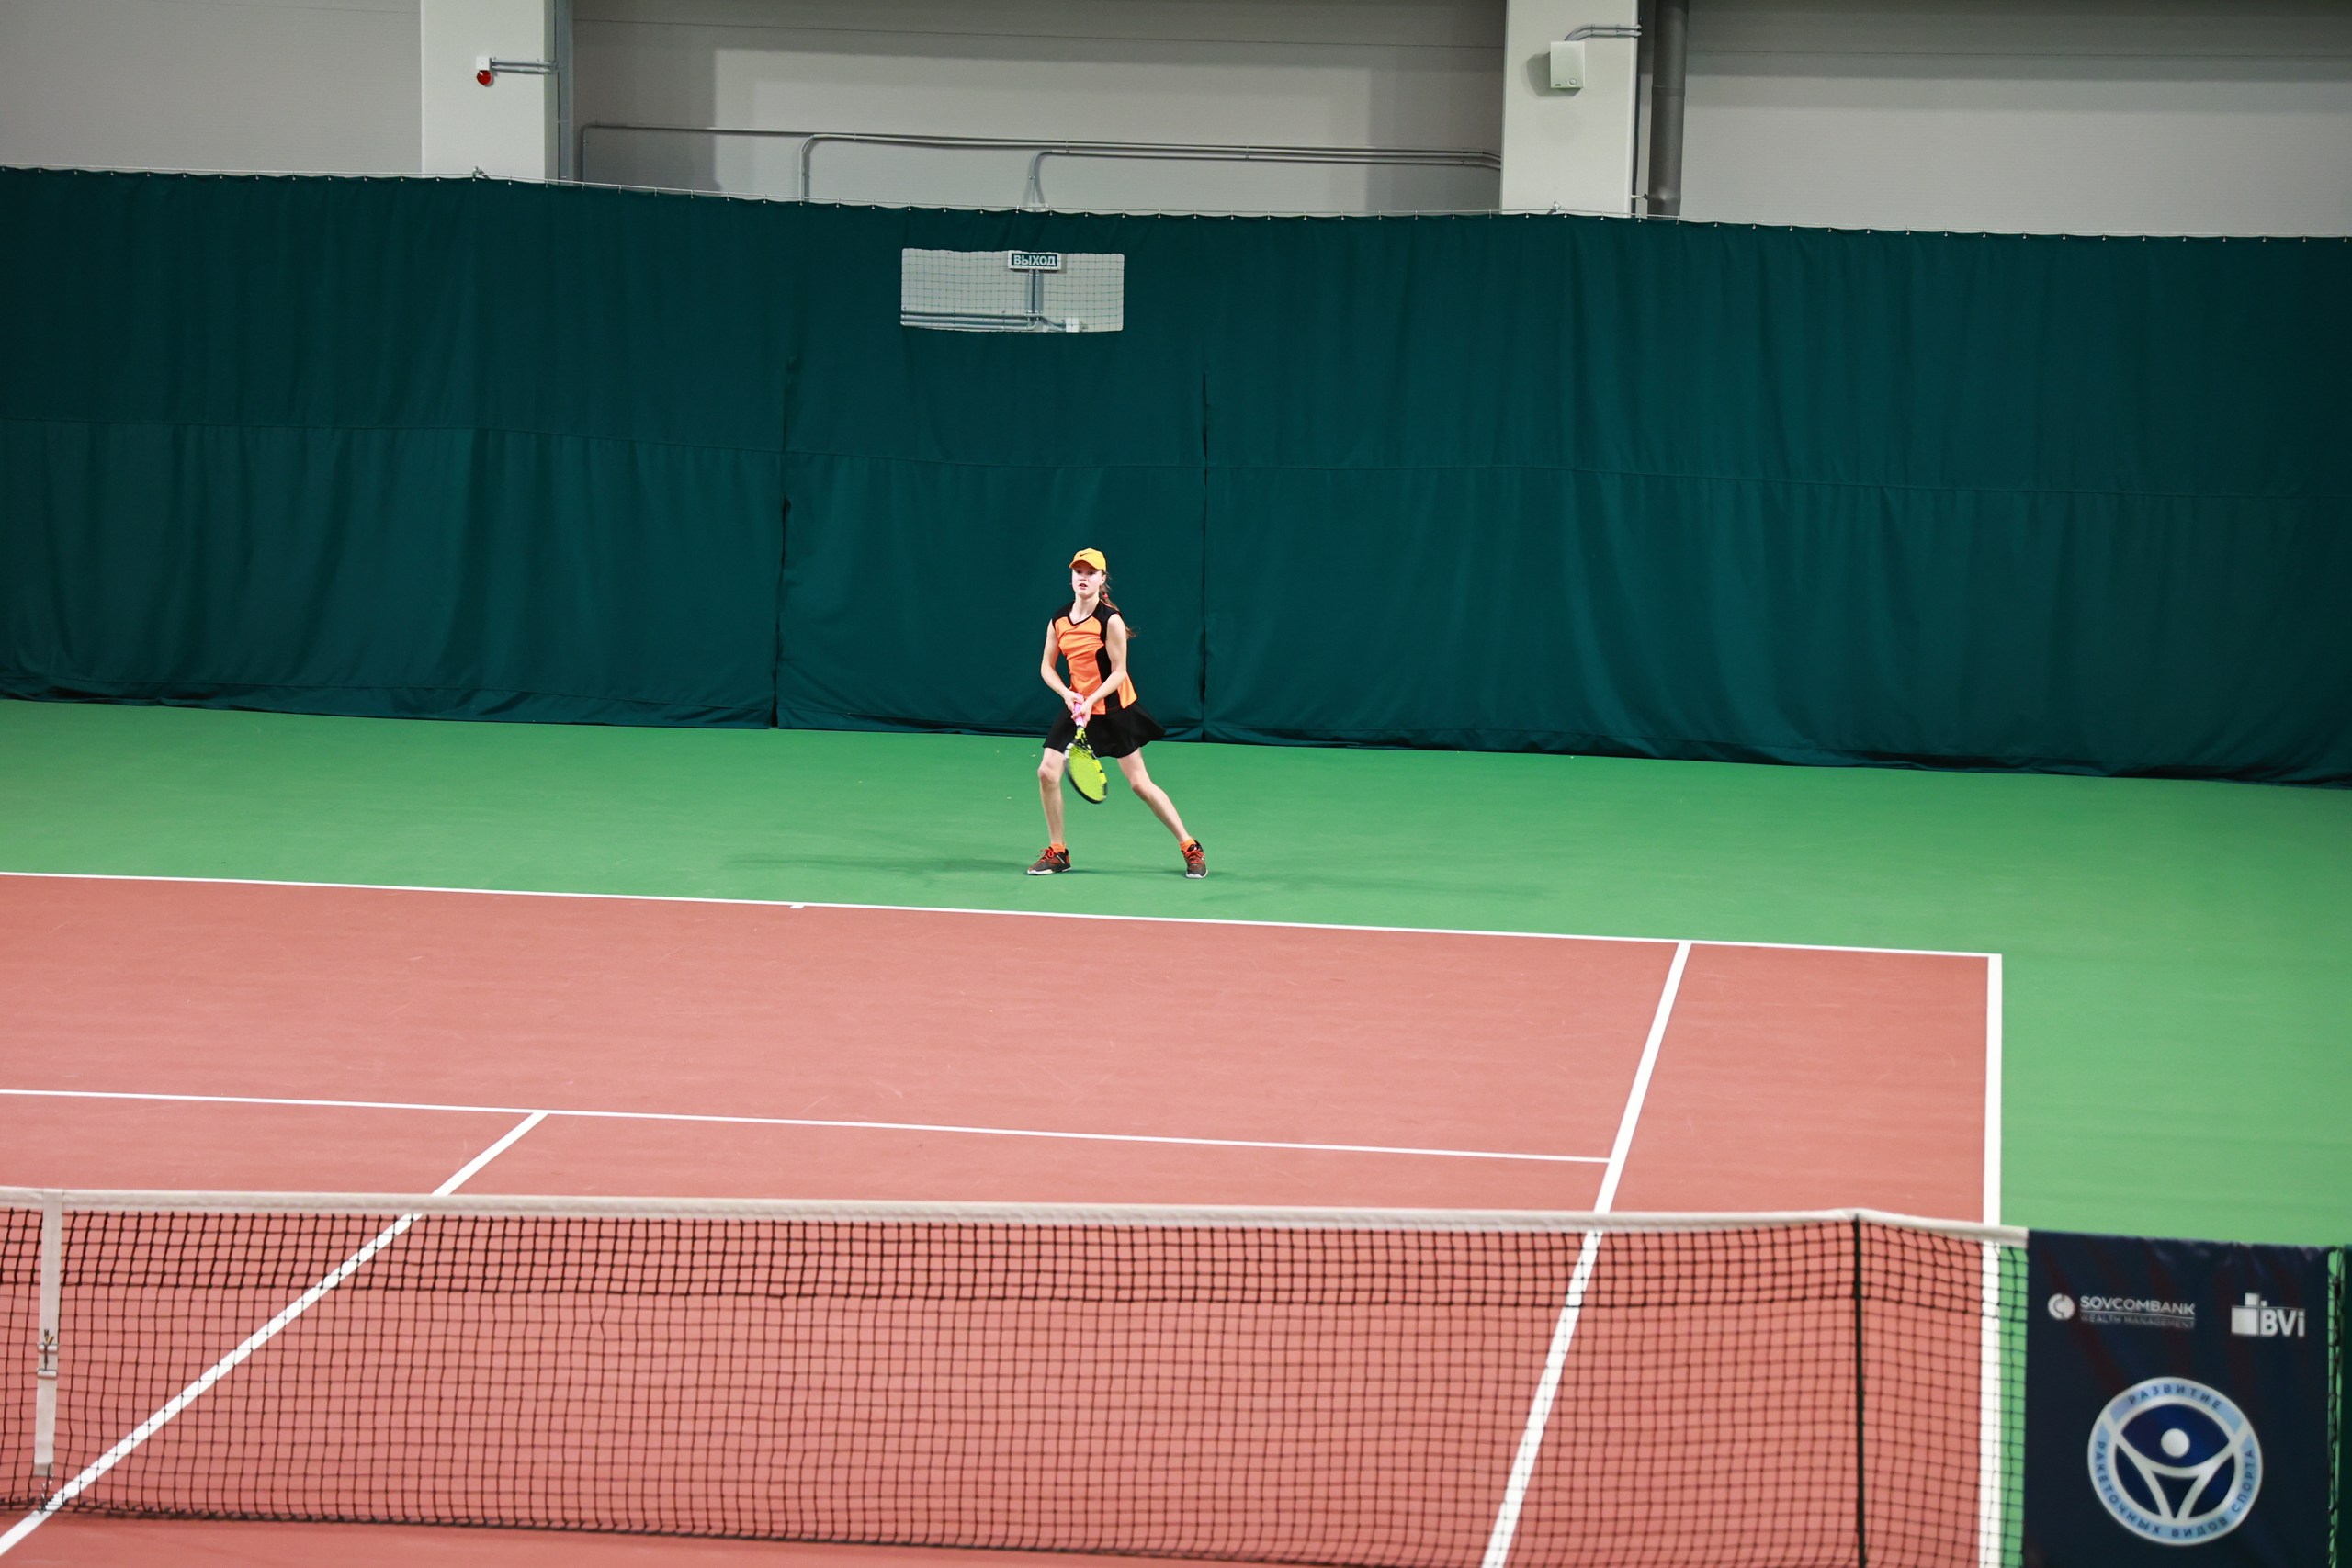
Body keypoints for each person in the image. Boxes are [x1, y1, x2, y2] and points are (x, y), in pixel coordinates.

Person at [1029, 548, 1205, 878]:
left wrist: (1091, 700)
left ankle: (1190, 846)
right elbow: (1046, 667)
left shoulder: (1109, 620)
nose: (1083, 578)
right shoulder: (1058, 619)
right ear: (1071, 577)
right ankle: (1058, 851)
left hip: (1113, 708)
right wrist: (1067, 694)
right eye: (1078, 572)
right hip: (1077, 705)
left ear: (1102, 579)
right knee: (1047, 772)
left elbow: (1119, 672)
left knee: (1140, 784)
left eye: (1090, 573)